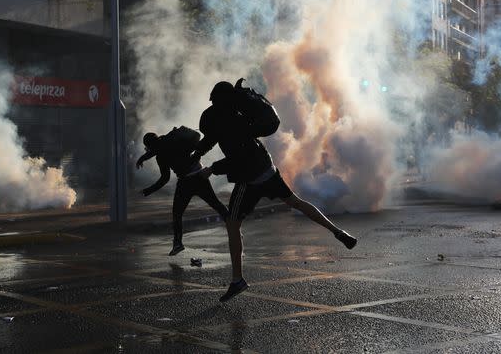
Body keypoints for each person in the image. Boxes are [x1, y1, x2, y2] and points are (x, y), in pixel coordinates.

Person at [189, 80, 357, 302]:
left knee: (232, 222)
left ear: (217, 100)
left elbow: (237, 158)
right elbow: (213, 138)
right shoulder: (236, 115)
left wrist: (212, 169)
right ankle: (337, 231)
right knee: (296, 202)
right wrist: (198, 152)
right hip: (268, 170)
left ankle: (237, 280)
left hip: (249, 180)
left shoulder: (228, 121)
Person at [137, 129, 229, 256]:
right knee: (216, 204)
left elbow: (164, 179)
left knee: (177, 214)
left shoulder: (161, 155)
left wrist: (148, 191)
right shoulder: (171, 138)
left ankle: (178, 244)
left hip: (185, 182)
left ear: (150, 146)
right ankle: (234, 226)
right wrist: (196, 152)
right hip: (199, 175)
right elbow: (196, 135)